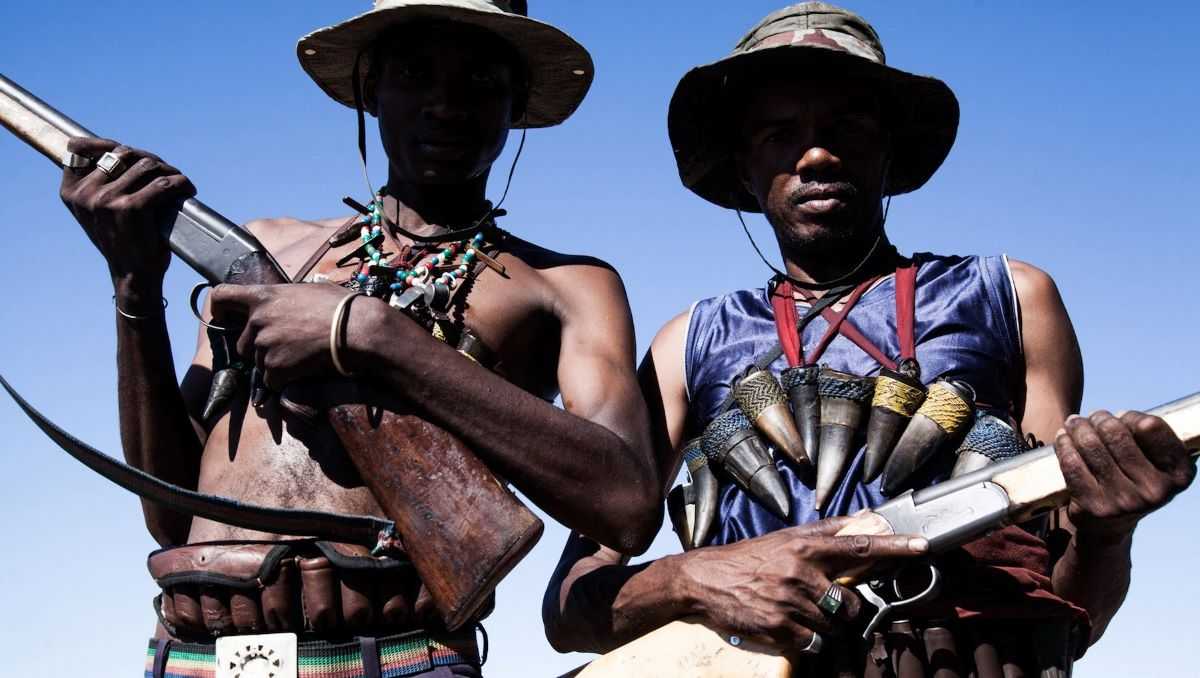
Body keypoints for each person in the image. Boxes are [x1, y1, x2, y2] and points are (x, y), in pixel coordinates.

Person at [542, 3, 1194, 675]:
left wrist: (1108, 532)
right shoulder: (688, 344)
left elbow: (1067, 599)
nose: (818, 153)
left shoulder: (1013, 299)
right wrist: (694, 579)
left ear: (891, 149)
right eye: (778, 133)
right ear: (743, 166)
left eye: (847, 126)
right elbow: (569, 609)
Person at [56, 2, 659, 676]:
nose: (446, 104)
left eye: (482, 82)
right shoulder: (270, 251)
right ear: (370, 89)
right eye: (414, 73)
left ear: (517, 103)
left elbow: (626, 505)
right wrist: (133, 284)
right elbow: (172, 518)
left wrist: (374, 337)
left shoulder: (565, 285)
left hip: (398, 655)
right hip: (199, 653)